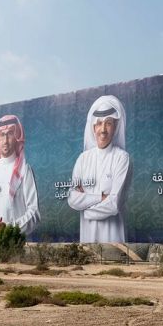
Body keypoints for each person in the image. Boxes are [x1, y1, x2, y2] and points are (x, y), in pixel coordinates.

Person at [67, 95, 132, 242]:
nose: (103, 130)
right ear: (93, 127)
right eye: (99, 123)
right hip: (87, 237)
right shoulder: (83, 159)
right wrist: (101, 197)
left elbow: (114, 204)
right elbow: (72, 198)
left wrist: (85, 207)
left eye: (108, 123)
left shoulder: (122, 158)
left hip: (113, 239)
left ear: (115, 127)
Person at [0, 115, 40, 240]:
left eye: (10, 134)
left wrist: (10, 229)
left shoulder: (24, 169)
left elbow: (34, 212)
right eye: (2, 135)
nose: (5, 140)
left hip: (17, 243)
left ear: (17, 138)